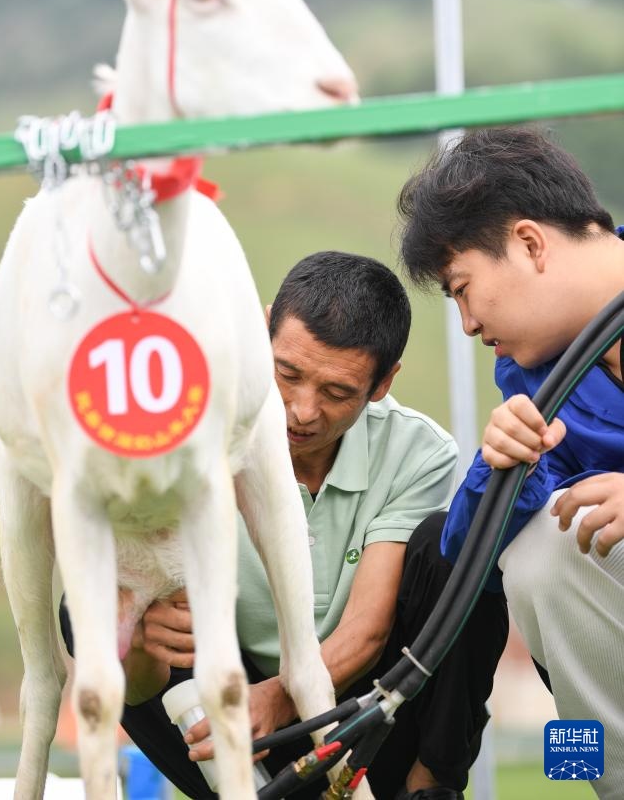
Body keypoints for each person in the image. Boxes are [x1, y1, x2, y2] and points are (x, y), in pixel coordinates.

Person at [60, 251, 508, 800]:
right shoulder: (191, 436)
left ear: (383, 382)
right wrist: (147, 641)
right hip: (232, 712)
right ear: (262, 330)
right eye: (287, 374)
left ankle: (430, 785)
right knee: (84, 607)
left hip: (361, 713)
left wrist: (279, 697)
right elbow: (141, 687)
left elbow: (367, 630)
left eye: (337, 393)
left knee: (454, 549)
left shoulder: (419, 451)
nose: (301, 410)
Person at [397, 126, 624, 800]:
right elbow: (466, 557)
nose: (465, 322)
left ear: (529, 243)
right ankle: (607, 784)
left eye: (462, 287)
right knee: (538, 556)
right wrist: (502, 466)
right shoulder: (528, 373)